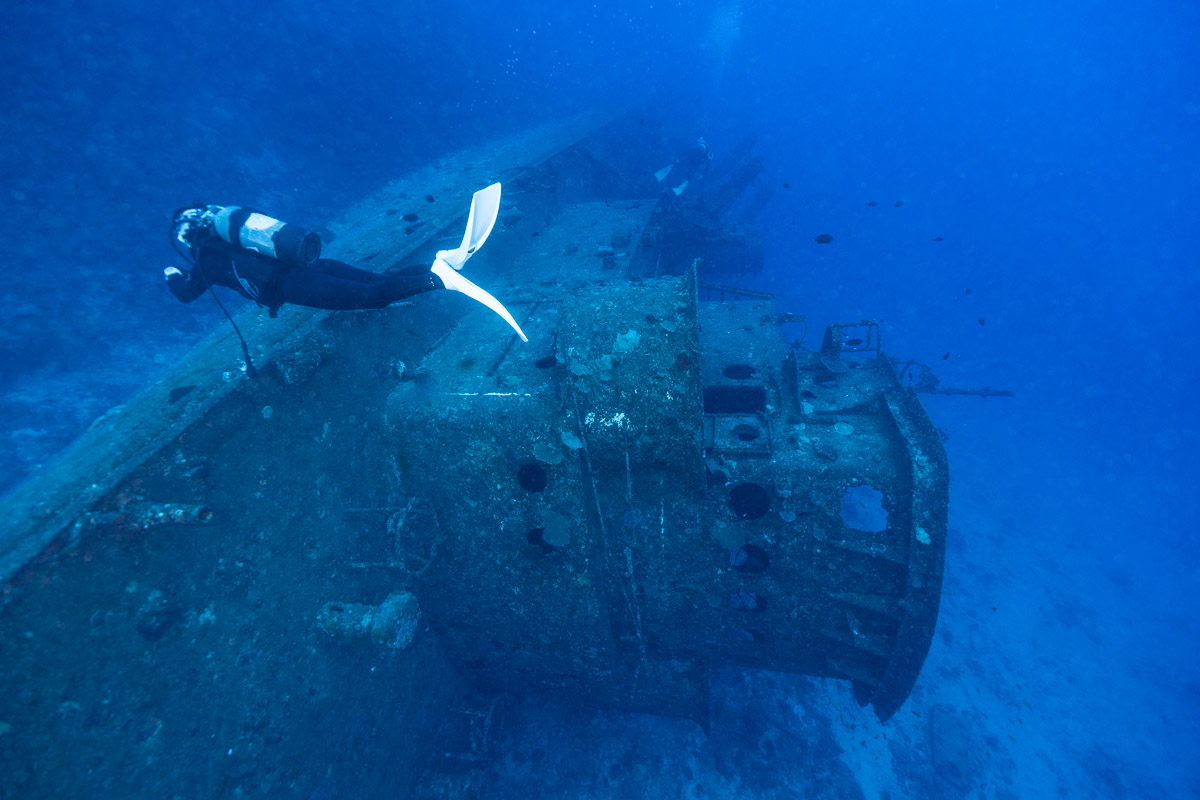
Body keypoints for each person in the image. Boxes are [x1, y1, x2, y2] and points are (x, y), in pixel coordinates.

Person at [165, 183, 527, 341]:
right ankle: (443, 264)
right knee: (378, 282)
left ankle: (439, 276)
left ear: (189, 240)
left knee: (375, 296)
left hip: (291, 285)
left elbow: (186, 293)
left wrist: (172, 274)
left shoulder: (208, 263)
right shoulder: (234, 232)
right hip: (310, 265)